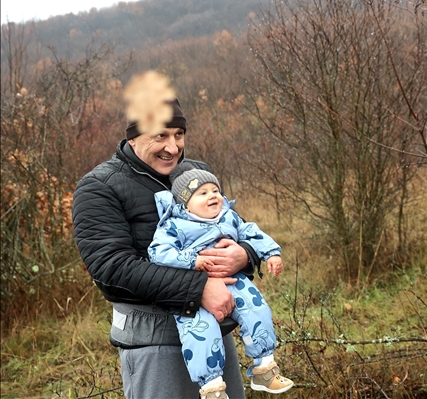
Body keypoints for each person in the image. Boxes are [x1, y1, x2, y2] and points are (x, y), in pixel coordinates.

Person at [73, 97, 261, 399]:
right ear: (133, 137)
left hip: (213, 336)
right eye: (160, 135)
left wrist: (245, 255)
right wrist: (199, 288)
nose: (172, 147)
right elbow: (112, 268)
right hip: (154, 343)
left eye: (178, 135)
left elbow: (234, 225)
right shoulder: (99, 187)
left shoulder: (196, 173)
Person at [149, 162, 294, 398]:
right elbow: (158, 252)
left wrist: (271, 253)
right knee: (200, 331)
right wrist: (191, 260)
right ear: (185, 203)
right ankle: (211, 387)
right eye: (202, 193)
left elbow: (252, 233)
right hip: (193, 288)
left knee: (257, 310)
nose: (212, 196)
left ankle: (265, 368)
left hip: (233, 279)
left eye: (215, 190)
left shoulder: (229, 217)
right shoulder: (175, 225)